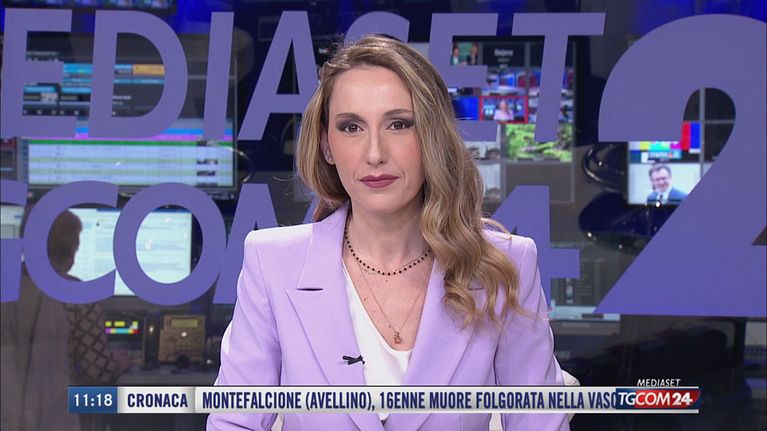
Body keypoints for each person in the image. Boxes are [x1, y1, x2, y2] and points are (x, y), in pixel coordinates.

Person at [208, 34, 568, 430]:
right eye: (351, 127)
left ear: (431, 136)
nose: (375, 153)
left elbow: (540, 423)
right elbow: (234, 422)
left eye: (398, 124)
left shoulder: (506, 266)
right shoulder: (273, 264)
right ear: (327, 146)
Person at [1, 210, 130, 431]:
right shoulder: (78, 297)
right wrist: (119, 363)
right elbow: (96, 372)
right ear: (71, 251)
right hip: (52, 417)